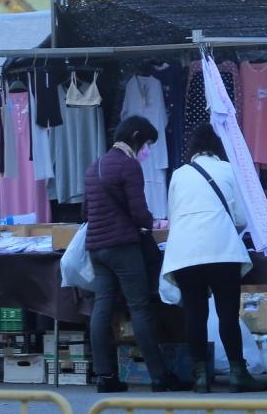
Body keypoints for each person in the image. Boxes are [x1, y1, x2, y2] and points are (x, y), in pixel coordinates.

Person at [85, 115, 190, 393]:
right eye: (147, 144)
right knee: (140, 308)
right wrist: (155, 222)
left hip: (96, 248)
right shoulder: (128, 166)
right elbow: (139, 212)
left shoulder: (95, 166)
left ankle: (105, 376)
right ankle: (159, 376)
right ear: (135, 137)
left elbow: (86, 212)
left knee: (102, 308)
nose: (147, 151)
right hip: (122, 247)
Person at [160, 123, 267, 393]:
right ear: (220, 148)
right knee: (227, 314)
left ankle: (199, 375)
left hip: (184, 253)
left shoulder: (179, 174)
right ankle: (238, 374)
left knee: (195, 314)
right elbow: (241, 218)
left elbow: (173, 216)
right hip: (222, 251)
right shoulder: (229, 170)